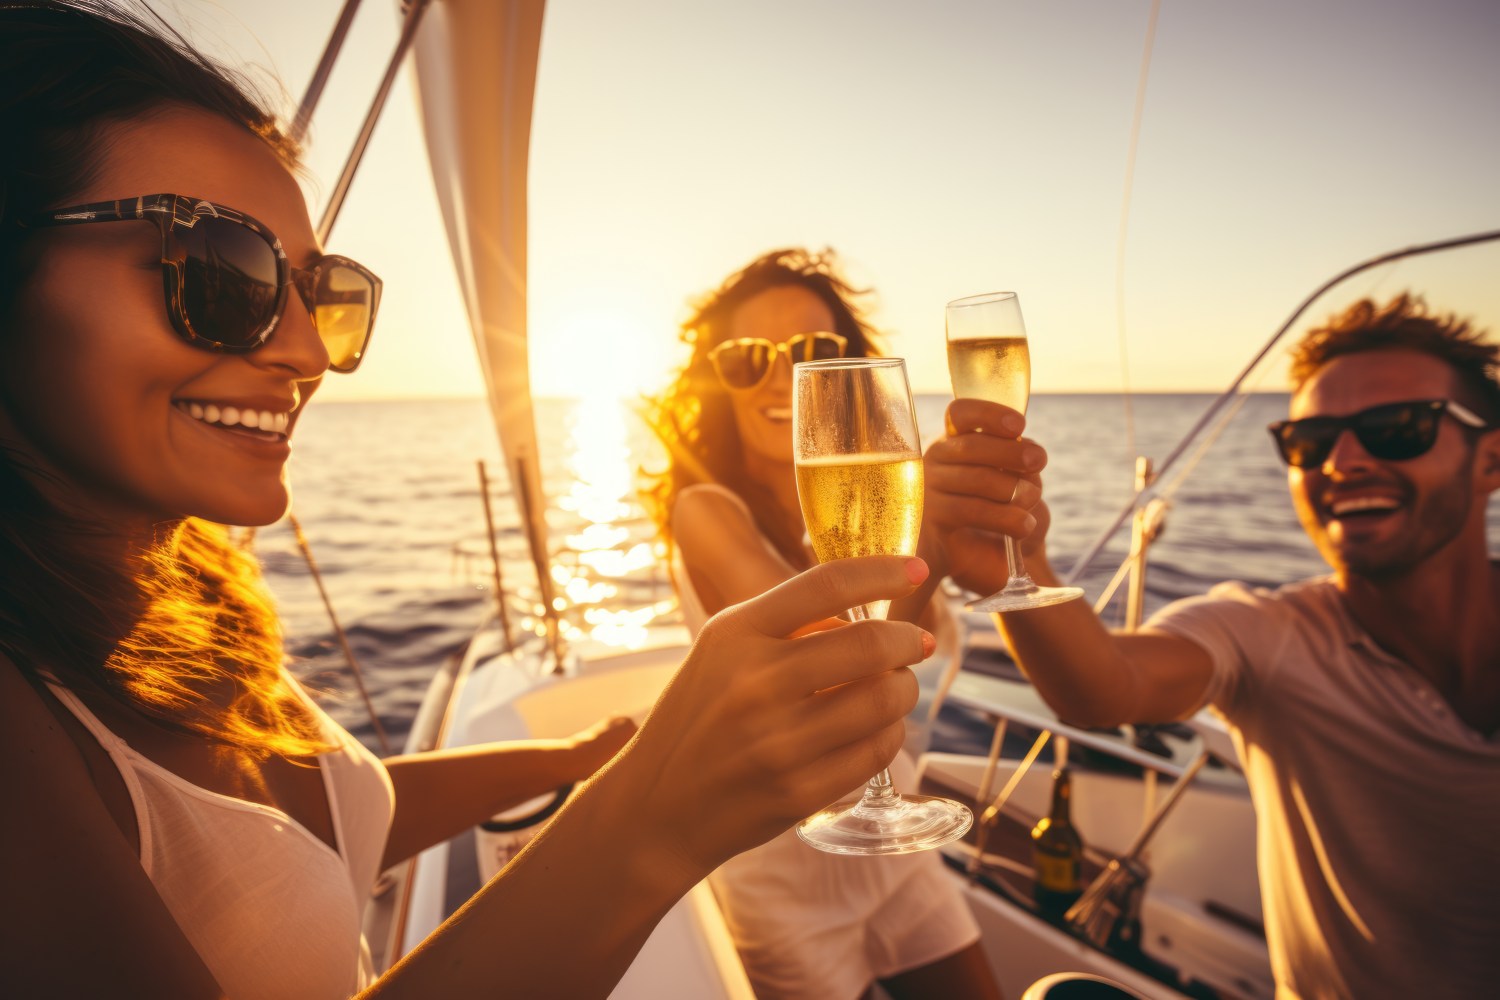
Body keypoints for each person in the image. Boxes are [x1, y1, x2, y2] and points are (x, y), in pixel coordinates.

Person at [0, 5, 936, 998]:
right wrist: (652, 815)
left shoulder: (166, 606)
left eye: (318, 291)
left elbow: (326, 821)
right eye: (220, 270)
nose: (308, 352)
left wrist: (572, 757)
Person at [920, 293, 1500, 999]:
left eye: (1397, 429)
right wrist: (1013, 569)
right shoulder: (1270, 635)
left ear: (1491, 458)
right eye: (1311, 441)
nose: (1343, 462)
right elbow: (1103, 687)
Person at [646, 248, 1002, 1000]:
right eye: (748, 358)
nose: (781, 377)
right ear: (716, 379)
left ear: (849, 368)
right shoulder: (706, 511)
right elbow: (837, 658)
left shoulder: (865, 507)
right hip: (786, 869)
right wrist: (930, 548)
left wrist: (952, 540)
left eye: (810, 350)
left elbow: (897, 638)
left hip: (899, 843)